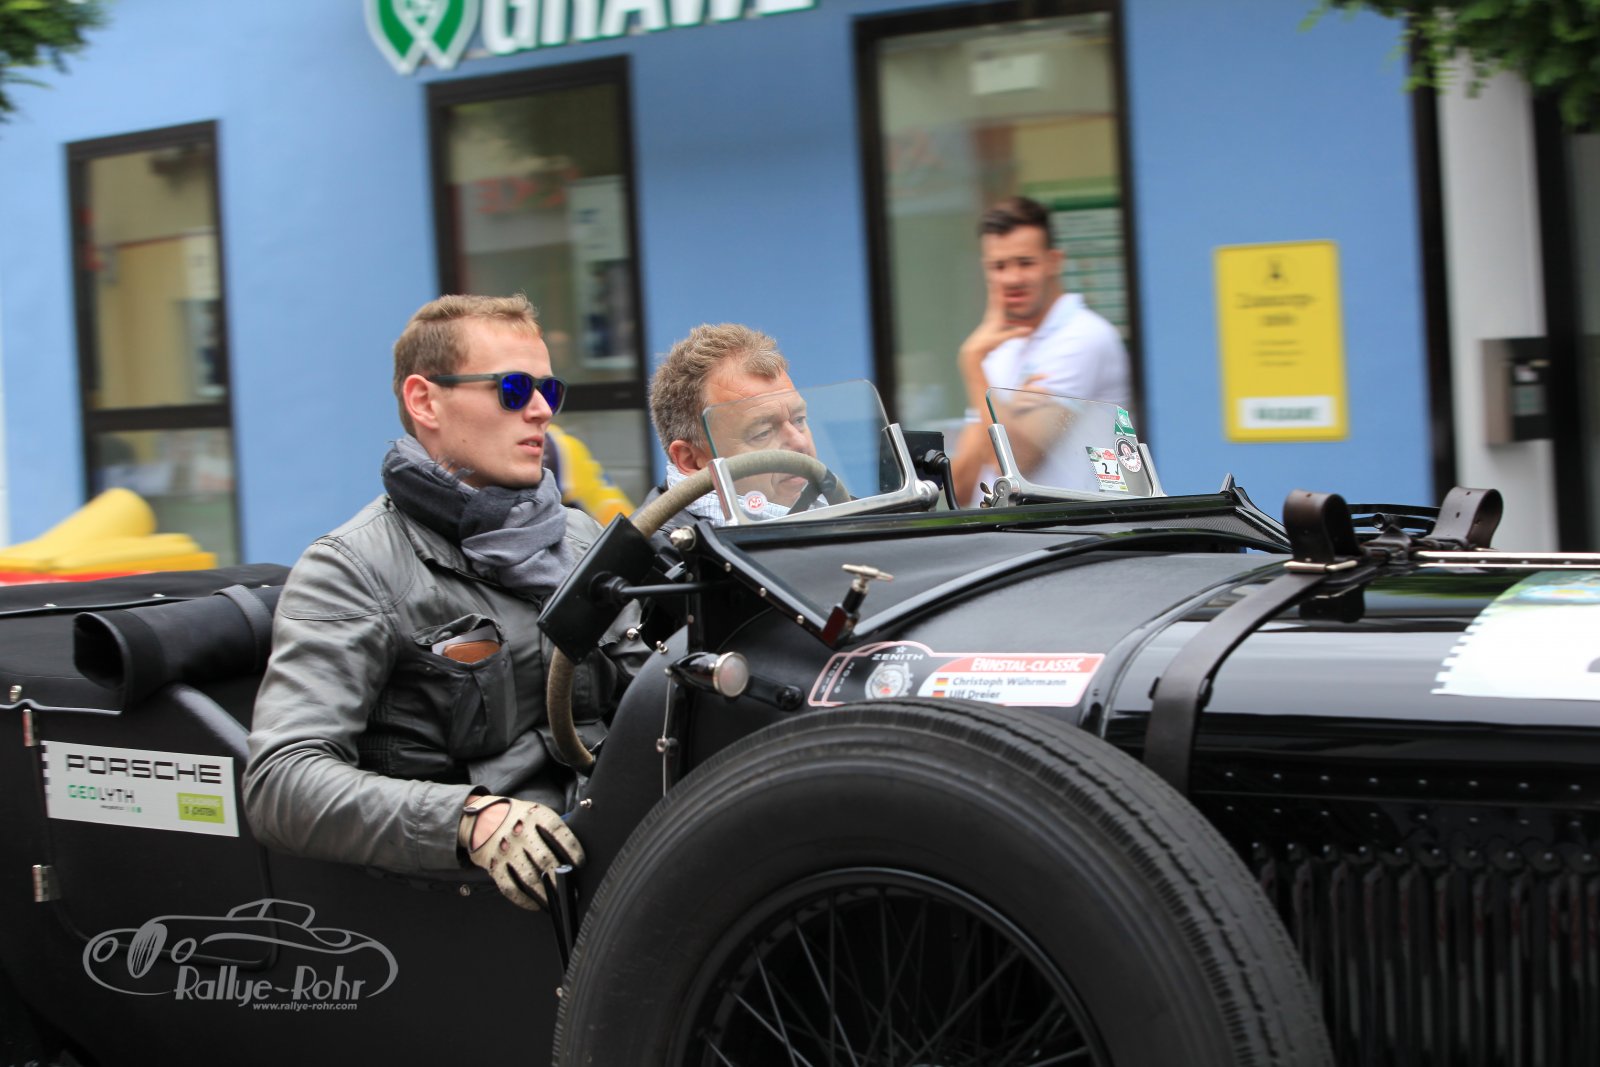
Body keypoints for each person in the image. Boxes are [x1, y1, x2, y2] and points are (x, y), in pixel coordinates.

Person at [244, 294, 644, 912]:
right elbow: (281, 783)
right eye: (513, 388)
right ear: (425, 401)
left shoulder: (579, 537)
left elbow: (647, 692)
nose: (541, 411)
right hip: (471, 903)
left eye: (548, 390)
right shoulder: (351, 568)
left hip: (616, 855)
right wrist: (469, 820)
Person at [950, 195, 1132, 503]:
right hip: (1014, 530)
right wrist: (1007, 411)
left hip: (1083, 529)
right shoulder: (997, 350)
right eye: (999, 266)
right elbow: (958, 485)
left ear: (1054, 262)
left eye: (1026, 263)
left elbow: (1013, 463)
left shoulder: (1084, 337)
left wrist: (972, 364)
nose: (1012, 278)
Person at [645, 322, 817, 527]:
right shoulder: (655, 547)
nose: (800, 443)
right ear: (691, 461)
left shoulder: (838, 507)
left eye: (799, 420)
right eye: (763, 433)